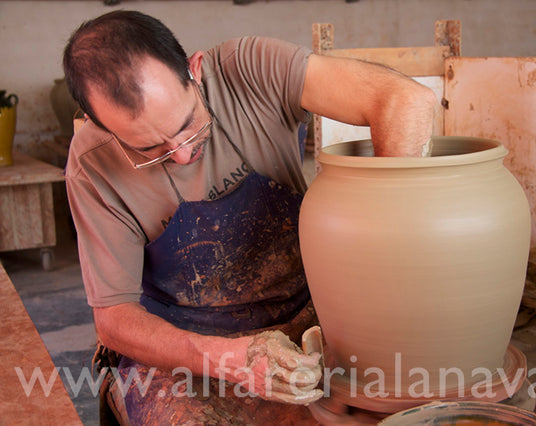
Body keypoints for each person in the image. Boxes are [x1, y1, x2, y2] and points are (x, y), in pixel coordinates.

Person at [63, 10, 436, 424]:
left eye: (188, 126)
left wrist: (383, 251)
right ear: (106, 130)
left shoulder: (250, 70)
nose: (183, 153)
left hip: (311, 313)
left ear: (195, 70)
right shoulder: (92, 166)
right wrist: (229, 358)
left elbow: (404, 99)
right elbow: (114, 320)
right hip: (185, 345)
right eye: (152, 149)